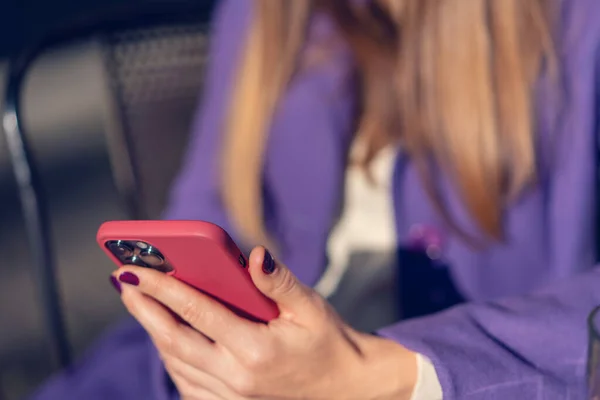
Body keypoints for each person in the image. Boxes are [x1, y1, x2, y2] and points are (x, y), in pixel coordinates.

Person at [30, 0, 600, 398]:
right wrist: (193, 350)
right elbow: (207, 211)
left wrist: (389, 377)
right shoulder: (269, 16)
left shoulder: (576, 27)